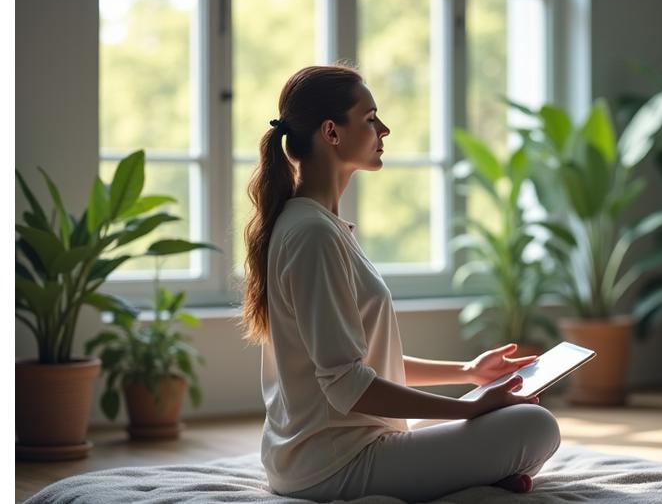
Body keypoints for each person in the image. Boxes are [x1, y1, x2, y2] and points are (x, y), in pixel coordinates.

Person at [239, 63, 561, 502]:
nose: (383, 129)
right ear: (331, 132)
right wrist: (468, 406)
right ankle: (485, 476)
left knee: (505, 416)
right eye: (370, 119)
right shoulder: (311, 235)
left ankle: (481, 474)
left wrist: (467, 373)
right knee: (535, 426)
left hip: (334, 451)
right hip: (333, 466)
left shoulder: (320, 226)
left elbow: (364, 364)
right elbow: (347, 383)